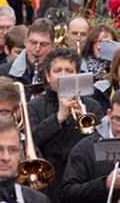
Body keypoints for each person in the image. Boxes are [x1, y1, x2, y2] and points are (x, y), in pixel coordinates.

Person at [28, 47, 105, 202]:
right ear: (48, 76)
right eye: (57, 70)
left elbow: (102, 145)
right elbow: (30, 140)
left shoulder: (92, 105)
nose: (63, 75)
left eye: (69, 70)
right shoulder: (35, 106)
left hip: (83, 183)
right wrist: (59, 118)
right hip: (49, 185)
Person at [60, 87, 120, 203]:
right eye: (118, 119)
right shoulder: (85, 148)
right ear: (109, 114)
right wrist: (104, 184)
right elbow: (67, 194)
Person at [0, 18, 57, 94]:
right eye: (33, 43)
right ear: (26, 42)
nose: (37, 49)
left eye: (43, 44)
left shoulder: (60, 73)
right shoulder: (3, 73)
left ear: (53, 46)